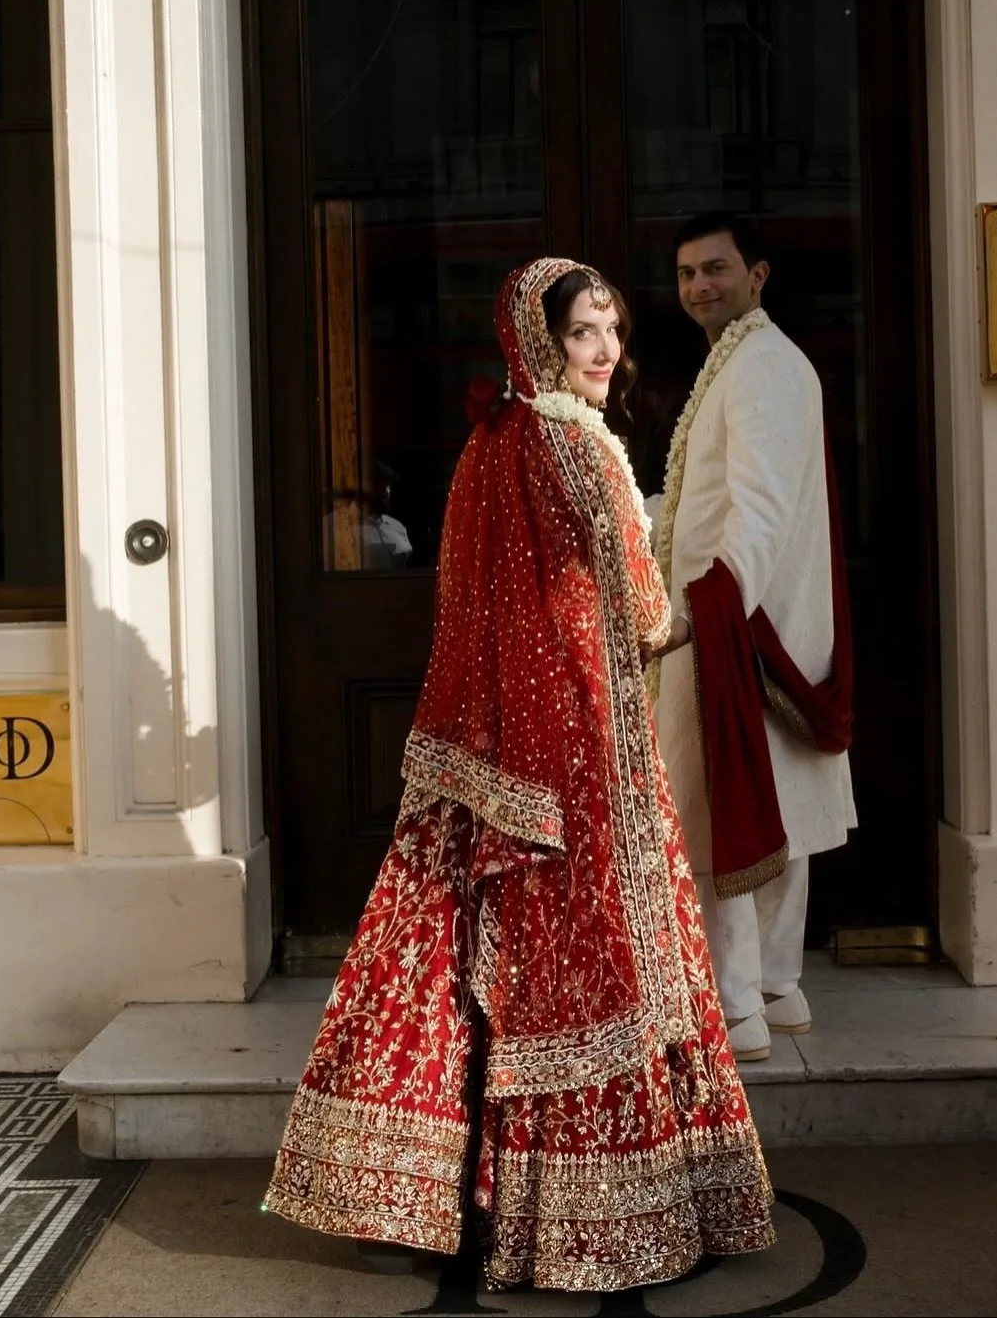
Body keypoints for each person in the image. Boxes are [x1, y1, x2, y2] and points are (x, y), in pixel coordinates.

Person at [263, 257, 775, 1292]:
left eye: (612, 328)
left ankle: (409, 1200)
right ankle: (600, 1218)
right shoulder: (578, 446)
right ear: (541, 340)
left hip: (486, 756)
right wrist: (703, 616)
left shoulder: (489, 442)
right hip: (584, 754)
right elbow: (643, 614)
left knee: (441, 958)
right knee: (594, 968)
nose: (606, 348)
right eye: (584, 330)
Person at [650, 213, 855, 1063]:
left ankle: (736, 1006)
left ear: (756, 273)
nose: (700, 285)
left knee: (721, 813)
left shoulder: (761, 365)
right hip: (760, 620)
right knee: (777, 813)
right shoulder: (749, 360)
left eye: (716, 268)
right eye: (687, 273)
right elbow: (708, 499)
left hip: (737, 625)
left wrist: (708, 607)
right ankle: (776, 984)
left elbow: (760, 509)